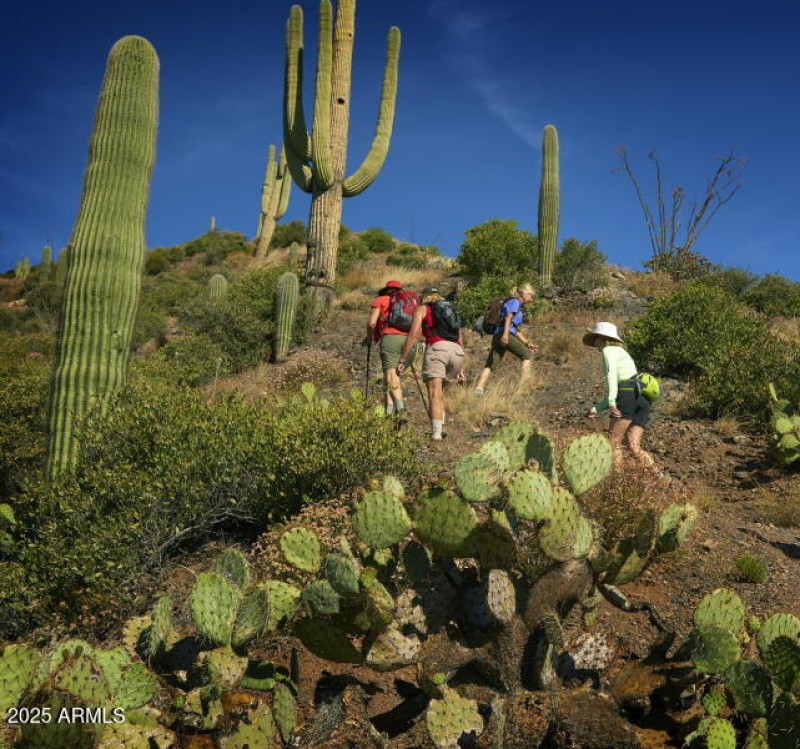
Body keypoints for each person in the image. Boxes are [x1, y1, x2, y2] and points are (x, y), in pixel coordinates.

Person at [582, 321, 661, 473]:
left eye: (595, 338)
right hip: (642, 399)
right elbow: (626, 387)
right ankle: (661, 477)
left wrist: (611, 402)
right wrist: (596, 408)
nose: (595, 343)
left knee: (614, 443)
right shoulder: (624, 353)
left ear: (601, 338)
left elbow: (612, 379)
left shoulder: (608, 350)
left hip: (627, 397)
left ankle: (617, 480)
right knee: (633, 446)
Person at [396, 287, 465, 440]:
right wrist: (461, 368)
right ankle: (440, 427)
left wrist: (403, 359)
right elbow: (459, 336)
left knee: (434, 394)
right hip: (457, 352)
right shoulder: (450, 310)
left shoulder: (423, 309)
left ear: (424, 297)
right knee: (440, 393)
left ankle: (436, 435)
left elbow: (413, 335)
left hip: (437, 349)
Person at [366, 279, 417, 421]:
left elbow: (371, 323)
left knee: (390, 376)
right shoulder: (407, 303)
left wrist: (370, 339)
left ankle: (400, 409)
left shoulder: (381, 299)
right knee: (394, 377)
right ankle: (389, 412)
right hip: (409, 341)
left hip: (391, 339)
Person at [474, 283, 539, 394]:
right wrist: (505, 335)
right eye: (531, 296)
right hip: (504, 334)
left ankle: (479, 388)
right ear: (524, 294)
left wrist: (527, 343)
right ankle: (523, 388)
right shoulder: (515, 302)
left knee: (492, 362)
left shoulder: (515, 303)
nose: (531, 299)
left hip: (499, 334)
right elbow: (509, 318)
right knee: (526, 355)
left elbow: (514, 328)